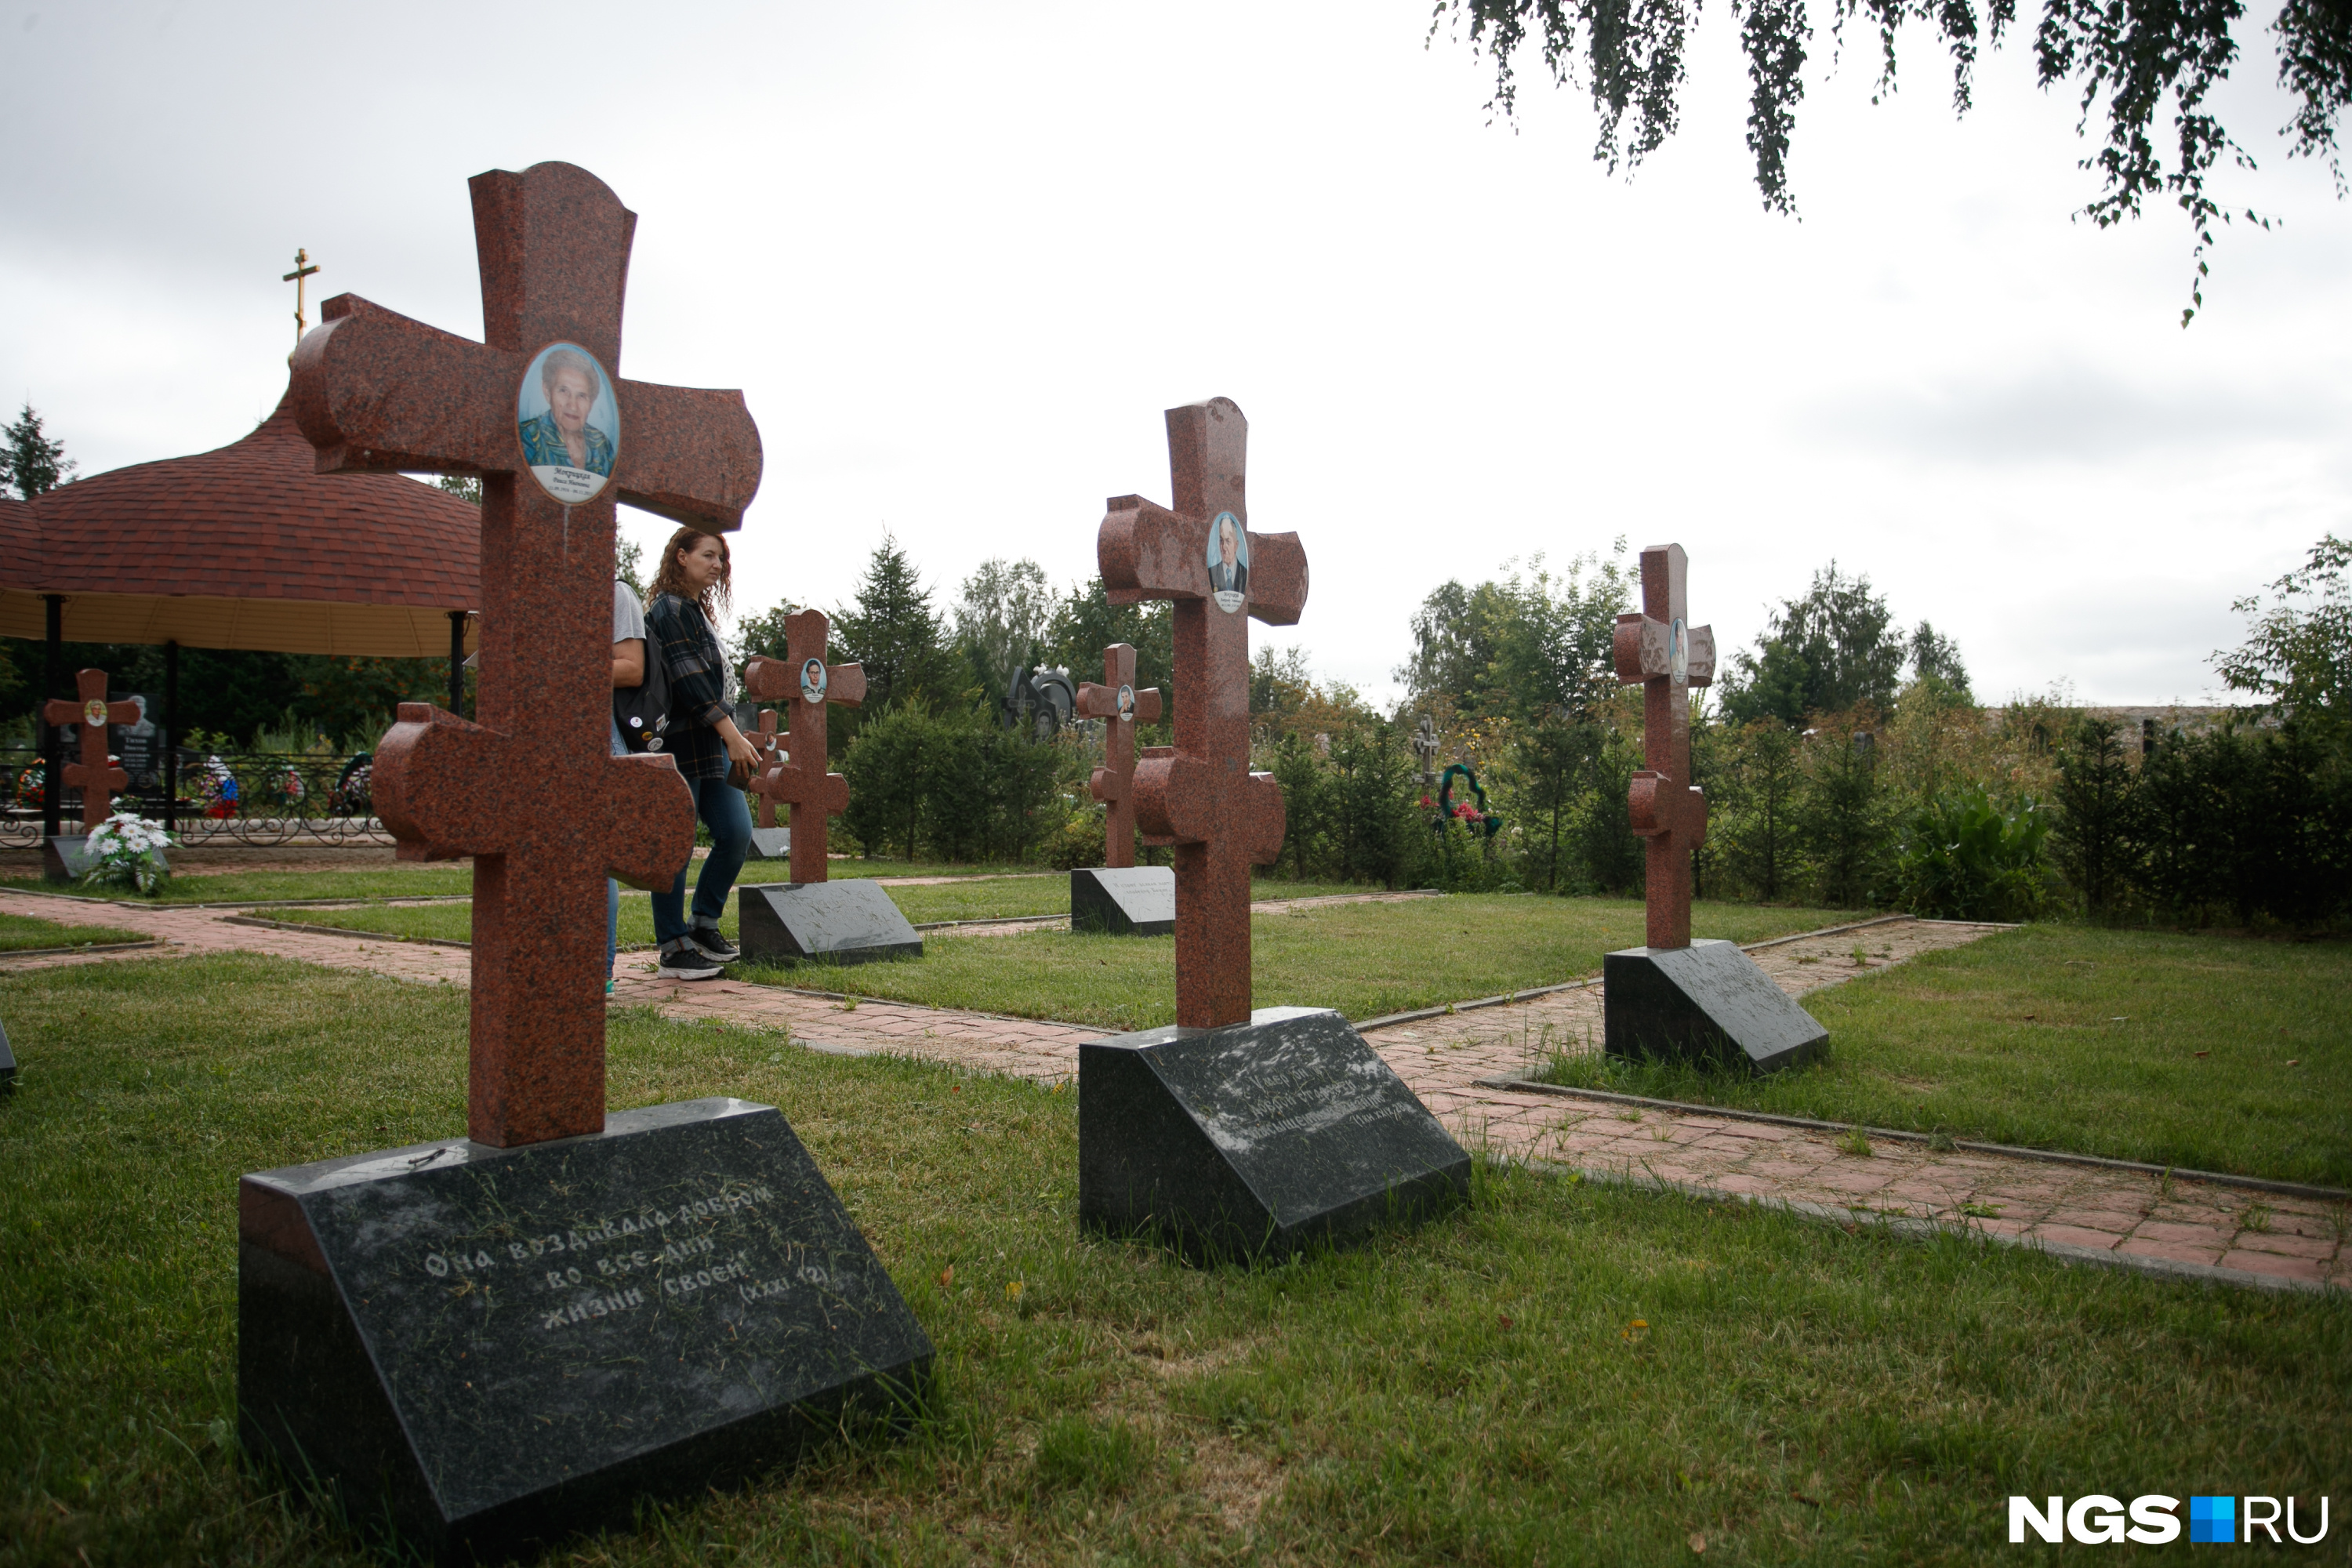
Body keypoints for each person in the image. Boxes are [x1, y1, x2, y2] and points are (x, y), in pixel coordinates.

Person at [644, 528, 761, 978]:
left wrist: (727, 735)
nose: (718, 564)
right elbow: (689, 680)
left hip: (709, 741)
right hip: (679, 740)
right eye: (708, 555)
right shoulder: (668, 608)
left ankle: (703, 924)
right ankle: (673, 946)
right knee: (675, 840)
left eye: (721, 558)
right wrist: (733, 732)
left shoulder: (694, 609)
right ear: (680, 556)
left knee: (735, 832)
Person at [607, 576, 647, 996]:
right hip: (539, 728)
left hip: (597, 731)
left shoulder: (613, 592)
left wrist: (557, 662)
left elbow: (632, 668)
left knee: (596, 857)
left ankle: (597, 970)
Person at [517, 347, 615, 477]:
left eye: (581, 396)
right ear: (547, 392)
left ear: (591, 403)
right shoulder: (528, 437)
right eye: (563, 391)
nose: (573, 406)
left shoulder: (602, 445)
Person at [1209, 513, 1248, 595]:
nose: (1224, 547)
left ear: (1236, 545)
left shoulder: (1244, 573)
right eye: (1221, 541)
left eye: (1228, 541)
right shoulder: (1211, 572)